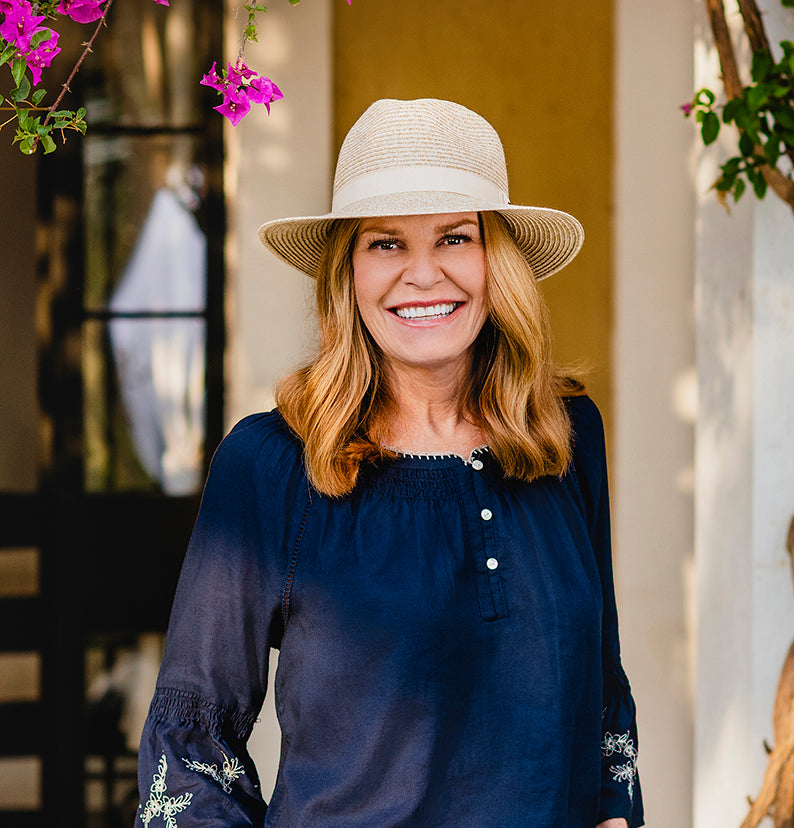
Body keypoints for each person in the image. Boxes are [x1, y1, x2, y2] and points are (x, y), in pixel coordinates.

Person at [135, 98, 644, 828]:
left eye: (454, 238)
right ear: (348, 272)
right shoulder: (271, 464)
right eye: (385, 244)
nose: (423, 275)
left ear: (495, 259)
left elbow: (601, 691)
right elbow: (191, 745)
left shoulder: (563, 436)